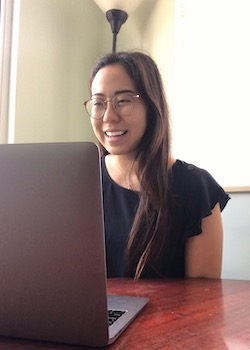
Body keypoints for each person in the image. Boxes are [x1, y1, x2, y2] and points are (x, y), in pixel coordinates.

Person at [83, 51, 230, 280]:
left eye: (123, 101)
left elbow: (204, 302)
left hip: (168, 317)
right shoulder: (80, 183)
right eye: (99, 103)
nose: (108, 116)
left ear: (151, 106)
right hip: (91, 317)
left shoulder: (196, 188)